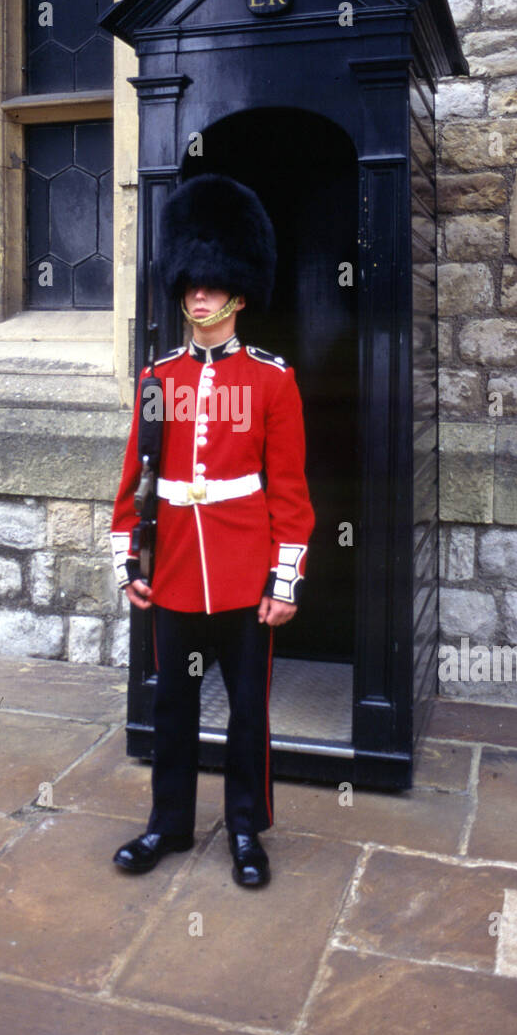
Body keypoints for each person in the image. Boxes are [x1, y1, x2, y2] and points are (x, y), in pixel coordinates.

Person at [108, 173, 315, 887]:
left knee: (248, 714)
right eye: (189, 283)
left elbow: (289, 491)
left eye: (210, 283)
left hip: (240, 571)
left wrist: (282, 578)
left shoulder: (271, 381)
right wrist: (127, 562)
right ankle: (167, 825)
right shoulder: (158, 377)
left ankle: (245, 829)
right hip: (170, 572)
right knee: (170, 706)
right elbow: (137, 474)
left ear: (237, 290)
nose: (197, 294)